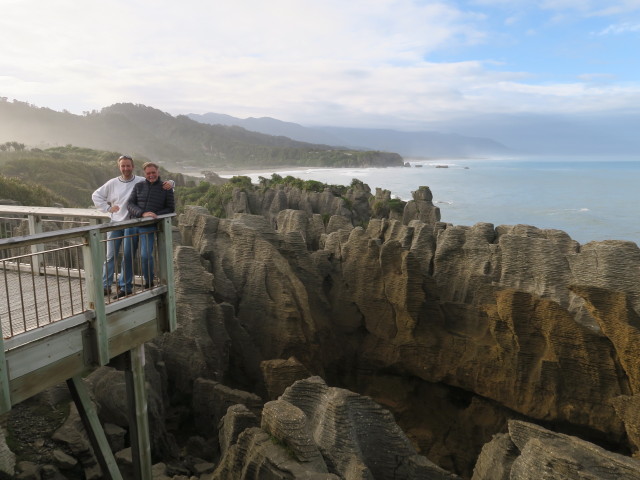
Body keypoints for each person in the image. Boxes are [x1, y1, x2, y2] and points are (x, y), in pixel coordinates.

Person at [91, 155, 174, 295]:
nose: (125, 168)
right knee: (110, 256)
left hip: (132, 223)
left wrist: (172, 182)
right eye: (123, 165)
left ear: (133, 167)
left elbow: (160, 184)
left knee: (127, 257)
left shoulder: (141, 181)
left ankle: (125, 285)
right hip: (116, 224)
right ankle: (106, 285)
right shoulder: (112, 183)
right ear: (119, 167)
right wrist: (107, 208)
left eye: (128, 165)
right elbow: (96, 195)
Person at [116, 161, 175, 298]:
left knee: (145, 256)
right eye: (148, 173)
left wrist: (155, 215)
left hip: (148, 227)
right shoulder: (139, 186)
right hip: (133, 224)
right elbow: (130, 204)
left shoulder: (166, 188)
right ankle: (125, 287)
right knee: (127, 256)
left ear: (158, 172)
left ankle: (149, 282)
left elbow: (171, 208)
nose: (151, 175)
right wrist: (142, 213)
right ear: (145, 174)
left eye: (153, 172)